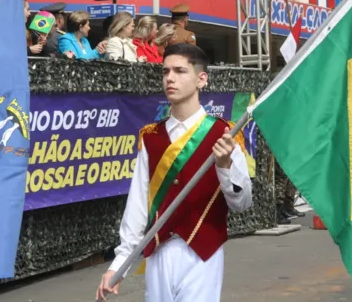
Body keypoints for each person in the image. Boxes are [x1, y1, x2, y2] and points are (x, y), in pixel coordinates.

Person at [96, 44, 252, 302]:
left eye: (180, 71)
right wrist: (119, 264)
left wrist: (224, 166)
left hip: (204, 251)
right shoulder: (151, 137)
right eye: (166, 71)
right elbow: (137, 205)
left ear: (201, 79)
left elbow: (242, 203)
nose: (170, 78)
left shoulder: (225, 133)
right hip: (158, 251)